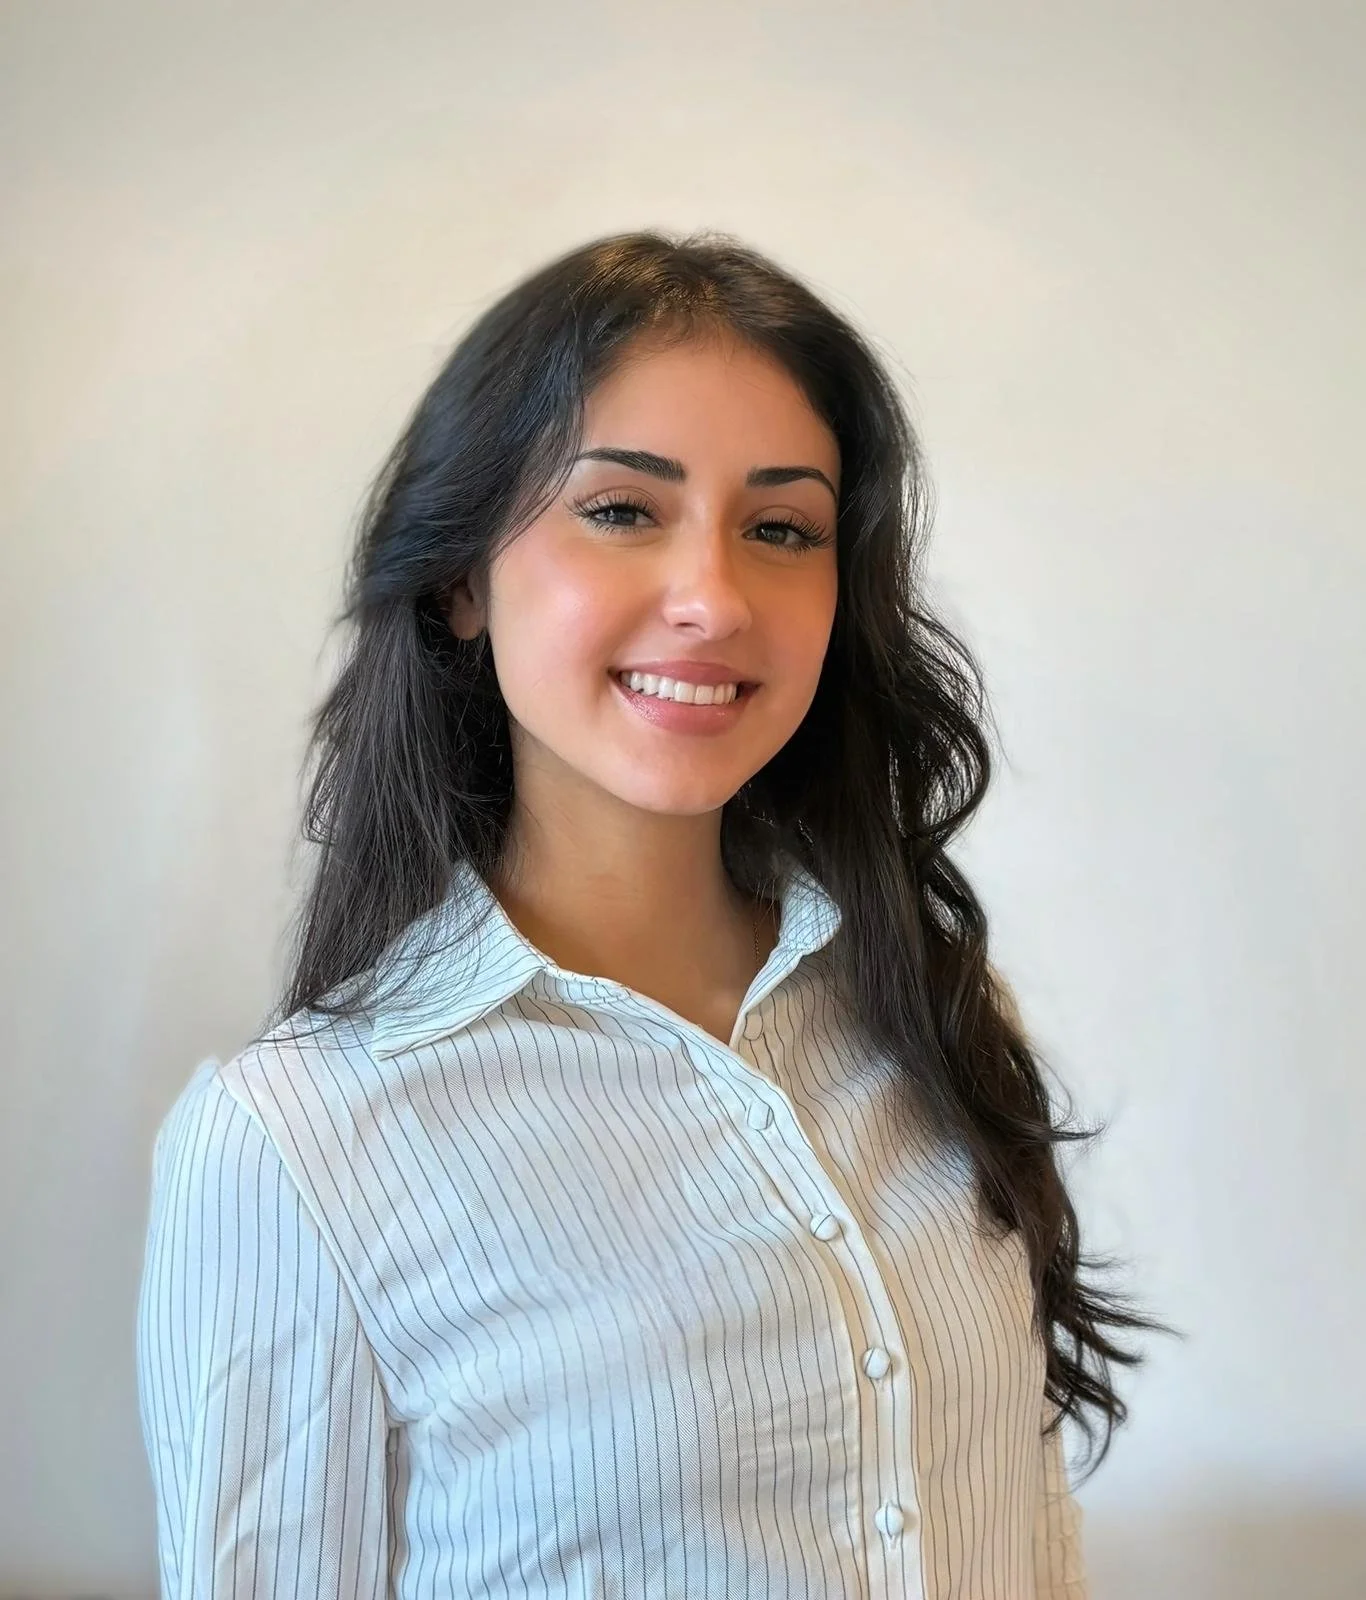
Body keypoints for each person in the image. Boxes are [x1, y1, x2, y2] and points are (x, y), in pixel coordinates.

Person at [136, 228, 1161, 1598]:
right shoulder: (291, 1145)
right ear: (459, 580)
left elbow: (1025, 1535)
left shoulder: (923, 1013)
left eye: (781, 529)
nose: (713, 600)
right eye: (622, 510)